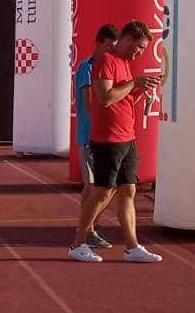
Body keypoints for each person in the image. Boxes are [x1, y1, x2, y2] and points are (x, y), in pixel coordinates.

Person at [68, 19, 162, 263]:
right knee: (102, 191)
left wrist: (140, 89)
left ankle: (132, 246)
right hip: (108, 138)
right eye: (139, 47)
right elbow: (105, 98)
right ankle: (78, 243)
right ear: (127, 40)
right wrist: (134, 83)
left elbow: (123, 97)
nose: (140, 53)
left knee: (129, 189)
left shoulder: (124, 63)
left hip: (127, 136)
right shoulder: (106, 61)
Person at [72, 24, 118, 248]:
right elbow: (90, 102)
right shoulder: (87, 68)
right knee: (92, 185)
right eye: (108, 46)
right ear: (98, 44)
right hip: (89, 135)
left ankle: (89, 227)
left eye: (114, 48)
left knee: (107, 186)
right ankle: (86, 231)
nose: (111, 51)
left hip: (105, 136)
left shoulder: (110, 67)